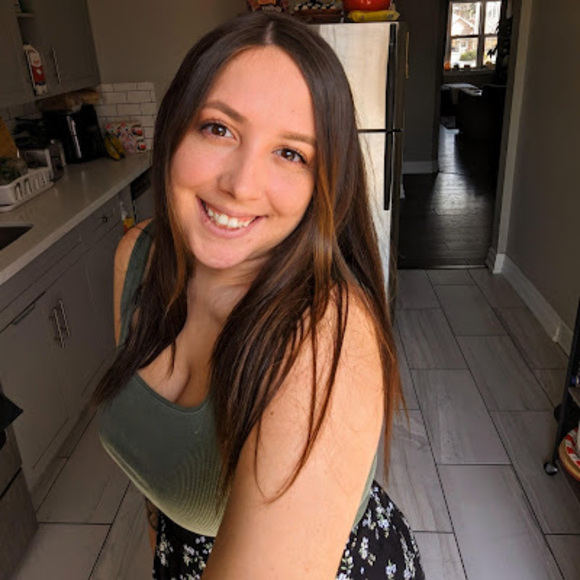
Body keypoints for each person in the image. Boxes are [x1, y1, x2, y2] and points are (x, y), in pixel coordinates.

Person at [94, 11, 424, 580]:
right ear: (175, 128)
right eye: (218, 129)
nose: (241, 185)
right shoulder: (138, 260)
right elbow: (156, 483)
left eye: (291, 153)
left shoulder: (327, 333)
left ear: (325, 184)